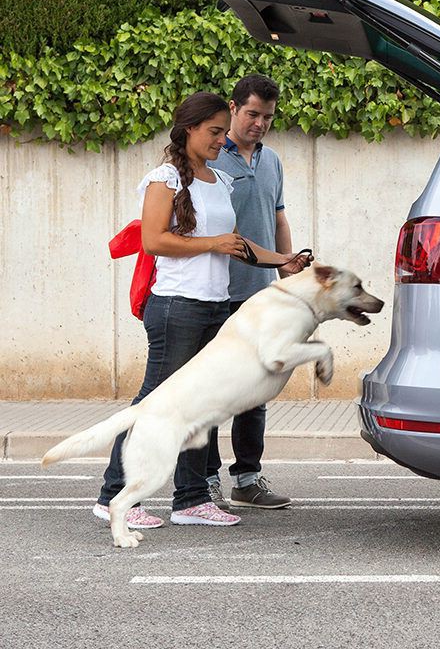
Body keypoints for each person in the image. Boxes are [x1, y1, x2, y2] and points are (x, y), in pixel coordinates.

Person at [94, 92, 309, 530]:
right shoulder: (165, 179)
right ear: (189, 129)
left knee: (201, 405)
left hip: (215, 307)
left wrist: (283, 262)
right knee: (153, 402)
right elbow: (154, 240)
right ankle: (112, 494)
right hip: (176, 306)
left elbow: (237, 244)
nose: (218, 140)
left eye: (218, 132)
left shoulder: (219, 180)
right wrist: (211, 244)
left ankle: (191, 500)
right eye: (212, 132)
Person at [206, 74, 295, 509]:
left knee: (254, 392)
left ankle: (247, 477)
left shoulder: (272, 160)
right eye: (253, 114)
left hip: (259, 296)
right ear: (234, 108)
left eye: (268, 117)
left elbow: (278, 219)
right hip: (216, 294)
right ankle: (204, 480)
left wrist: (288, 278)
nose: (260, 123)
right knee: (211, 391)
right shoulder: (209, 157)